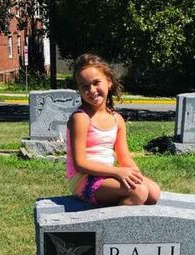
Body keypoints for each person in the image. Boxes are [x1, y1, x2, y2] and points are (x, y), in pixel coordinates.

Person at [66, 53, 161, 206]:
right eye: (85, 86)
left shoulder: (117, 119)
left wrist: (135, 174)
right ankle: (111, 228)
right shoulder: (81, 118)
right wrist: (117, 172)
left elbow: (124, 157)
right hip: (84, 179)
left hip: (108, 174)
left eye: (96, 82)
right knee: (139, 192)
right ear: (79, 90)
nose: (92, 90)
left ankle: (123, 209)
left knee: (154, 192)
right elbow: (80, 164)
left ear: (109, 82)